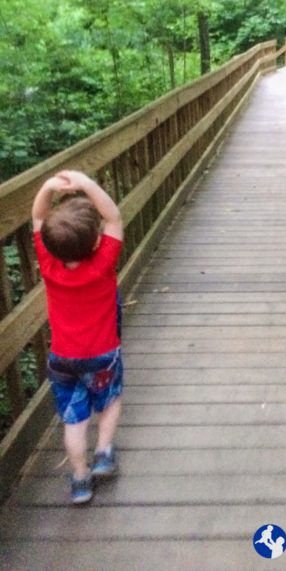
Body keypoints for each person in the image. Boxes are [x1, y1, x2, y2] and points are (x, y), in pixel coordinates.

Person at [32, 170, 124, 505]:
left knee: (74, 419)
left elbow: (38, 216)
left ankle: (81, 479)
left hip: (62, 359)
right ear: (97, 241)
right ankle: (103, 452)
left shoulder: (48, 264)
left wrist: (47, 187)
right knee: (110, 399)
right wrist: (86, 184)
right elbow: (113, 216)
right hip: (102, 354)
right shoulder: (102, 264)